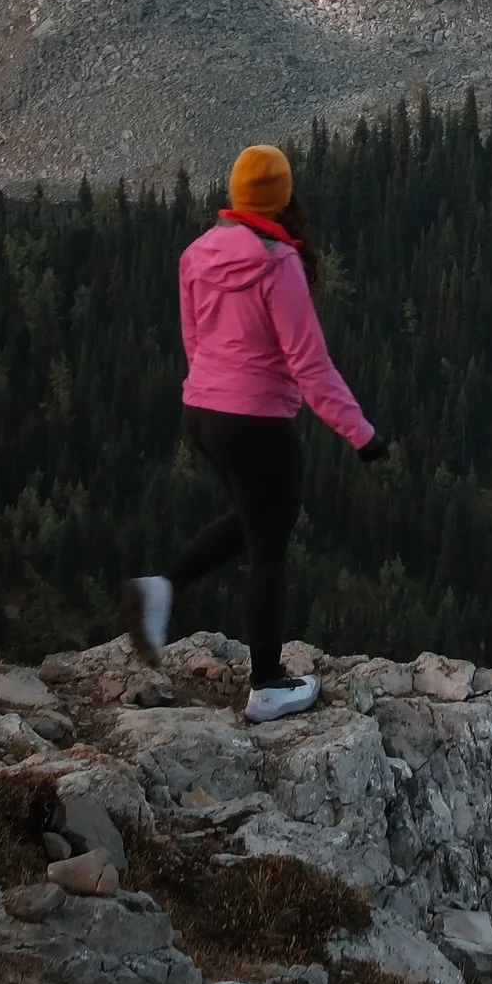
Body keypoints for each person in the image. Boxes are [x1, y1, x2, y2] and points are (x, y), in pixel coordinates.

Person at [124, 142, 388, 723]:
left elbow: (195, 341)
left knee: (252, 520)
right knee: (268, 550)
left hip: (204, 413)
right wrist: (362, 434)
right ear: (284, 197)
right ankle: (267, 684)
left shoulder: (197, 253)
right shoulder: (278, 262)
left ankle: (162, 586)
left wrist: (213, 391)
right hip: (259, 421)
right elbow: (309, 364)